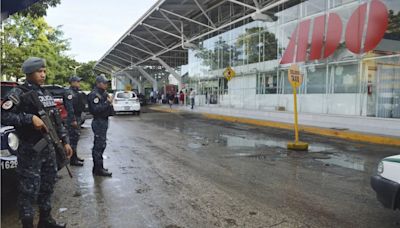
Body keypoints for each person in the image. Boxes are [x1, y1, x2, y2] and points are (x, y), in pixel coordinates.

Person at [1, 57, 73, 228]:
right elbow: (4, 115)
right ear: (29, 73)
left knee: (48, 184)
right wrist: (29, 118)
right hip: (30, 149)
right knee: (28, 190)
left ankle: (45, 220)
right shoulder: (18, 93)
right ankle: (27, 224)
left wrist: (65, 141)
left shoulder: (45, 94)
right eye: (39, 72)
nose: (43, 75)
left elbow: (56, 120)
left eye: (44, 71)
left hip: (48, 147)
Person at [87, 74, 114, 177]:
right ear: (98, 83)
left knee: (102, 145)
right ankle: (98, 169)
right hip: (98, 121)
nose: (106, 85)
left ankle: (98, 167)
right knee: (99, 146)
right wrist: (107, 103)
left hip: (104, 120)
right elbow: (95, 110)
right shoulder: (94, 95)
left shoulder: (103, 93)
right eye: (104, 83)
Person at [63, 76, 85, 166]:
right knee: (72, 139)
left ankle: (75, 156)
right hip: (73, 118)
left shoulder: (76, 92)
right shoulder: (69, 92)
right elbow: (70, 108)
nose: (79, 83)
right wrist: (73, 120)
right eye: (77, 81)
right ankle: (73, 159)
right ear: (72, 82)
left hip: (77, 116)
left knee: (76, 138)